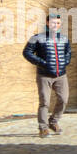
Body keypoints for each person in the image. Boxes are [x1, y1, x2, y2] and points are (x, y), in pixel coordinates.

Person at [23, 11, 72, 139]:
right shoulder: (37, 37)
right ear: (47, 23)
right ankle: (43, 128)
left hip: (61, 75)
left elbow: (68, 52)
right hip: (44, 75)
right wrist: (42, 63)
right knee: (44, 102)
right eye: (53, 22)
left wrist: (65, 62)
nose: (55, 25)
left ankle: (53, 121)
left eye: (58, 23)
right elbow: (27, 52)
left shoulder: (64, 38)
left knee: (64, 99)